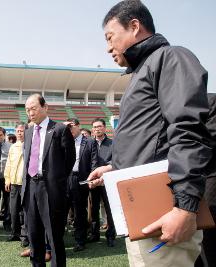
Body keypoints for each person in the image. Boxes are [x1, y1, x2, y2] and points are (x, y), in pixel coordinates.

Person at [88, 1, 212, 266]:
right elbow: (151, 143)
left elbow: (188, 133)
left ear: (134, 26)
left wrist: (185, 207)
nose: (108, 47)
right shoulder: (141, 72)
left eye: (110, 37)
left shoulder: (171, 58)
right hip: (144, 209)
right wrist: (115, 167)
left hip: (166, 208)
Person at [22, 94, 75, 267]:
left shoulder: (59, 129)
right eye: (27, 110)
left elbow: (70, 159)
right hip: (30, 188)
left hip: (50, 189)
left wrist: (55, 179)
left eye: (34, 108)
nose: (30, 113)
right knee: (34, 237)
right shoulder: (29, 131)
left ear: (45, 107)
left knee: (54, 238)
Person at [64, 118, 98, 252]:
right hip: (65, 179)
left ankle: (80, 240)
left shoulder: (89, 141)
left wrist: (91, 178)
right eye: (68, 127)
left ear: (79, 126)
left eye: (72, 126)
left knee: (79, 212)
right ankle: (58, 239)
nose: (70, 129)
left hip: (80, 179)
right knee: (62, 210)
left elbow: (94, 162)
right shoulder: (63, 140)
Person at [196, 93, 216, 267]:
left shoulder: (211, 100)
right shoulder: (168, 105)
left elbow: (209, 140)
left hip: (209, 176)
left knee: (208, 237)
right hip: (185, 178)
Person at [89, 118, 116, 247]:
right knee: (93, 209)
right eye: (94, 127)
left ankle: (110, 235)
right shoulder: (88, 143)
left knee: (109, 209)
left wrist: (105, 171)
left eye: (99, 126)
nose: (97, 129)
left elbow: (116, 160)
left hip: (108, 181)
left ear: (105, 128)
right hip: (93, 182)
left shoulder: (113, 143)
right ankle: (94, 234)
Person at [4, 122, 29, 245]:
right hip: (13, 184)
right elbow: (8, 164)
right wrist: (7, 179)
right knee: (13, 210)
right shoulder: (13, 146)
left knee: (25, 211)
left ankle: (25, 236)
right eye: (18, 131)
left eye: (22, 131)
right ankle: (15, 233)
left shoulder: (31, 145)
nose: (19, 133)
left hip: (26, 184)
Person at [0, 126, 12, 231]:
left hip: (6, 178)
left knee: (7, 201)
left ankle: (7, 222)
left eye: (1, 135)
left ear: (4, 135)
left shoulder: (10, 146)